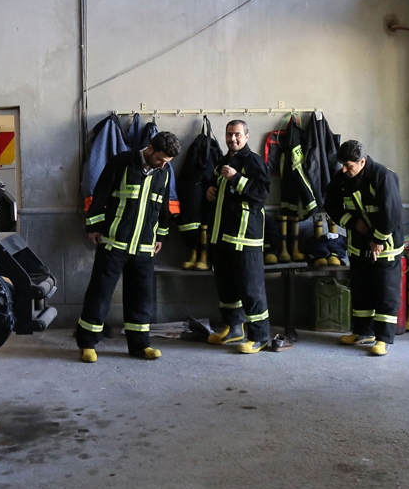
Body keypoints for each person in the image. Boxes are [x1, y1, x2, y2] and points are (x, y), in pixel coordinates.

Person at [77, 131, 181, 363]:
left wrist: (161, 236)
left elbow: (163, 207)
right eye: (161, 159)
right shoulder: (121, 162)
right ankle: (87, 343)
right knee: (100, 294)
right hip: (114, 242)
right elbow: (100, 193)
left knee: (141, 297)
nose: (163, 165)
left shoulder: (163, 172)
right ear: (150, 149)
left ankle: (139, 345)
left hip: (144, 247)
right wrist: (93, 226)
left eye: (167, 162)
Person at [324, 140, 405, 356]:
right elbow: (330, 204)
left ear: (362, 161)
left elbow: (392, 213)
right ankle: (362, 332)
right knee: (361, 290)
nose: (343, 169)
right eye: (342, 164)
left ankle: (383, 338)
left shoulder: (382, 176)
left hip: (385, 246)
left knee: (385, 292)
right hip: (358, 246)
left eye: (348, 165)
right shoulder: (342, 178)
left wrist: (378, 239)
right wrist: (352, 223)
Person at [206, 120, 271, 353]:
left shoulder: (253, 161)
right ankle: (233, 328)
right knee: (226, 286)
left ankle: (260, 336)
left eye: (237, 135)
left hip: (246, 238)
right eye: (229, 134)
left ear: (247, 136)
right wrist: (210, 191)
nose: (232, 139)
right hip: (222, 235)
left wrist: (236, 178)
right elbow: (217, 189)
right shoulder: (223, 161)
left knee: (251, 288)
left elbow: (262, 194)